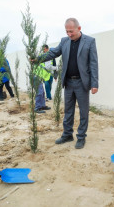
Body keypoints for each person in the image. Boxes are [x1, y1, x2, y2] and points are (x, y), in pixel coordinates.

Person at [38, 18, 99, 149]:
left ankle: (81, 137)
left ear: (79, 28)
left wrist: (95, 83)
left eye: (71, 31)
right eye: (67, 31)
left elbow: (93, 64)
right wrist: (38, 59)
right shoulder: (64, 41)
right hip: (68, 82)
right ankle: (67, 134)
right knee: (68, 110)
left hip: (82, 82)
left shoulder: (90, 41)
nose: (69, 34)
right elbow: (53, 53)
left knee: (83, 111)